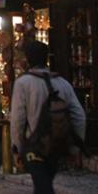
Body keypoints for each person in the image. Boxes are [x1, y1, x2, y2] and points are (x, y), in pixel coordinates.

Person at [10, 41, 86, 194]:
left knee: (43, 186)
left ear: (28, 60)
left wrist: (17, 147)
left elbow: (17, 119)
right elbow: (79, 116)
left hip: (35, 146)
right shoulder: (62, 83)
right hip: (57, 145)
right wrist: (76, 146)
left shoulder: (23, 83)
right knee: (44, 183)